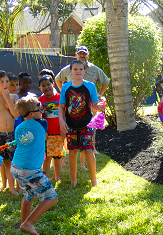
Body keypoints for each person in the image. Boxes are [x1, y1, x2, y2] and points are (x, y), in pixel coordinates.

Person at [10, 96, 58, 235]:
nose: (42, 110)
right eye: (40, 108)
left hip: (16, 168)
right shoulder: (42, 123)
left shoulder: (19, 127)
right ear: (31, 114)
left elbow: (25, 139)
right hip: (30, 170)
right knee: (51, 198)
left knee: (28, 196)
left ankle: (23, 225)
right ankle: (28, 223)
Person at [56, 45, 110, 167]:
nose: (82, 55)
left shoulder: (95, 70)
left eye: (84, 53)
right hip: (74, 105)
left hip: (91, 104)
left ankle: (91, 148)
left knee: (91, 126)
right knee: (72, 126)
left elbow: (106, 81)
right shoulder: (69, 69)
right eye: (80, 53)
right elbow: (57, 79)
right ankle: (72, 149)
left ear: (87, 55)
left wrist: (99, 94)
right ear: (76, 55)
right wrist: (63, 93)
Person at [58, 59, 102, 187]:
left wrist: (99, 107)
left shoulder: (90, 86)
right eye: (75, 69)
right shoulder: (66, 87)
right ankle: (73, 180)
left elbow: (95, 105)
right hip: (70, 125)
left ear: (84, 71)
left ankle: (94, 179)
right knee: (72, 152)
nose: (78, 71)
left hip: (87, 124)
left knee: (89, 151)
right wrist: (61, 121)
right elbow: (61, 107)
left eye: (81, 69)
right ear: (70, 71)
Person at [38, 75, 63, 181]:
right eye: (43, 86)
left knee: (57, 157)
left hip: (58, 133)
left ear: (53, 84)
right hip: (46, 134)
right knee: (47, 158)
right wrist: (44, 131)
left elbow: (64, 115)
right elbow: (39, 118)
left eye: (48, 84)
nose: (46, 87)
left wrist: (63, 129)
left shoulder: (60, 98)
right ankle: (45, 178)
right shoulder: (39, 101)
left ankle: (57, 177)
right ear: (40, 88)